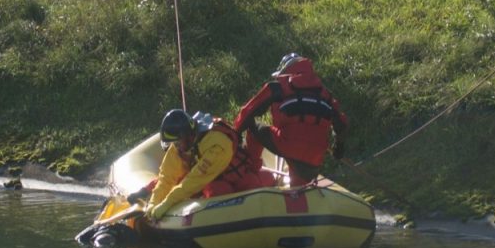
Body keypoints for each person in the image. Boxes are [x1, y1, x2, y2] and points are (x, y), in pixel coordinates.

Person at [233, 53, 349, 187]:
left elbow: (248, 111)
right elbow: (342, 125)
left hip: (287, 143)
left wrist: (235, 135)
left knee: (253, 128)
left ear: (284, 71)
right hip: (315, 156)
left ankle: (249, 171)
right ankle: (298, 197)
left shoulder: (278, 86)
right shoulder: (326, 94)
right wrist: (339, 148)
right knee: (299, 189)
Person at [142, 109, 273, 221]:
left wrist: (167, 203)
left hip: (238, 176)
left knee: (254, 183)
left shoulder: (217, 142)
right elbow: (166, 178)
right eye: (174, 143)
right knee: (218, 190)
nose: (176, 147)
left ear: (188, 136)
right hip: (217, 184)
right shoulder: (179, 149)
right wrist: (153, 203)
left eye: (177, 142)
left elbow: (195, 180)